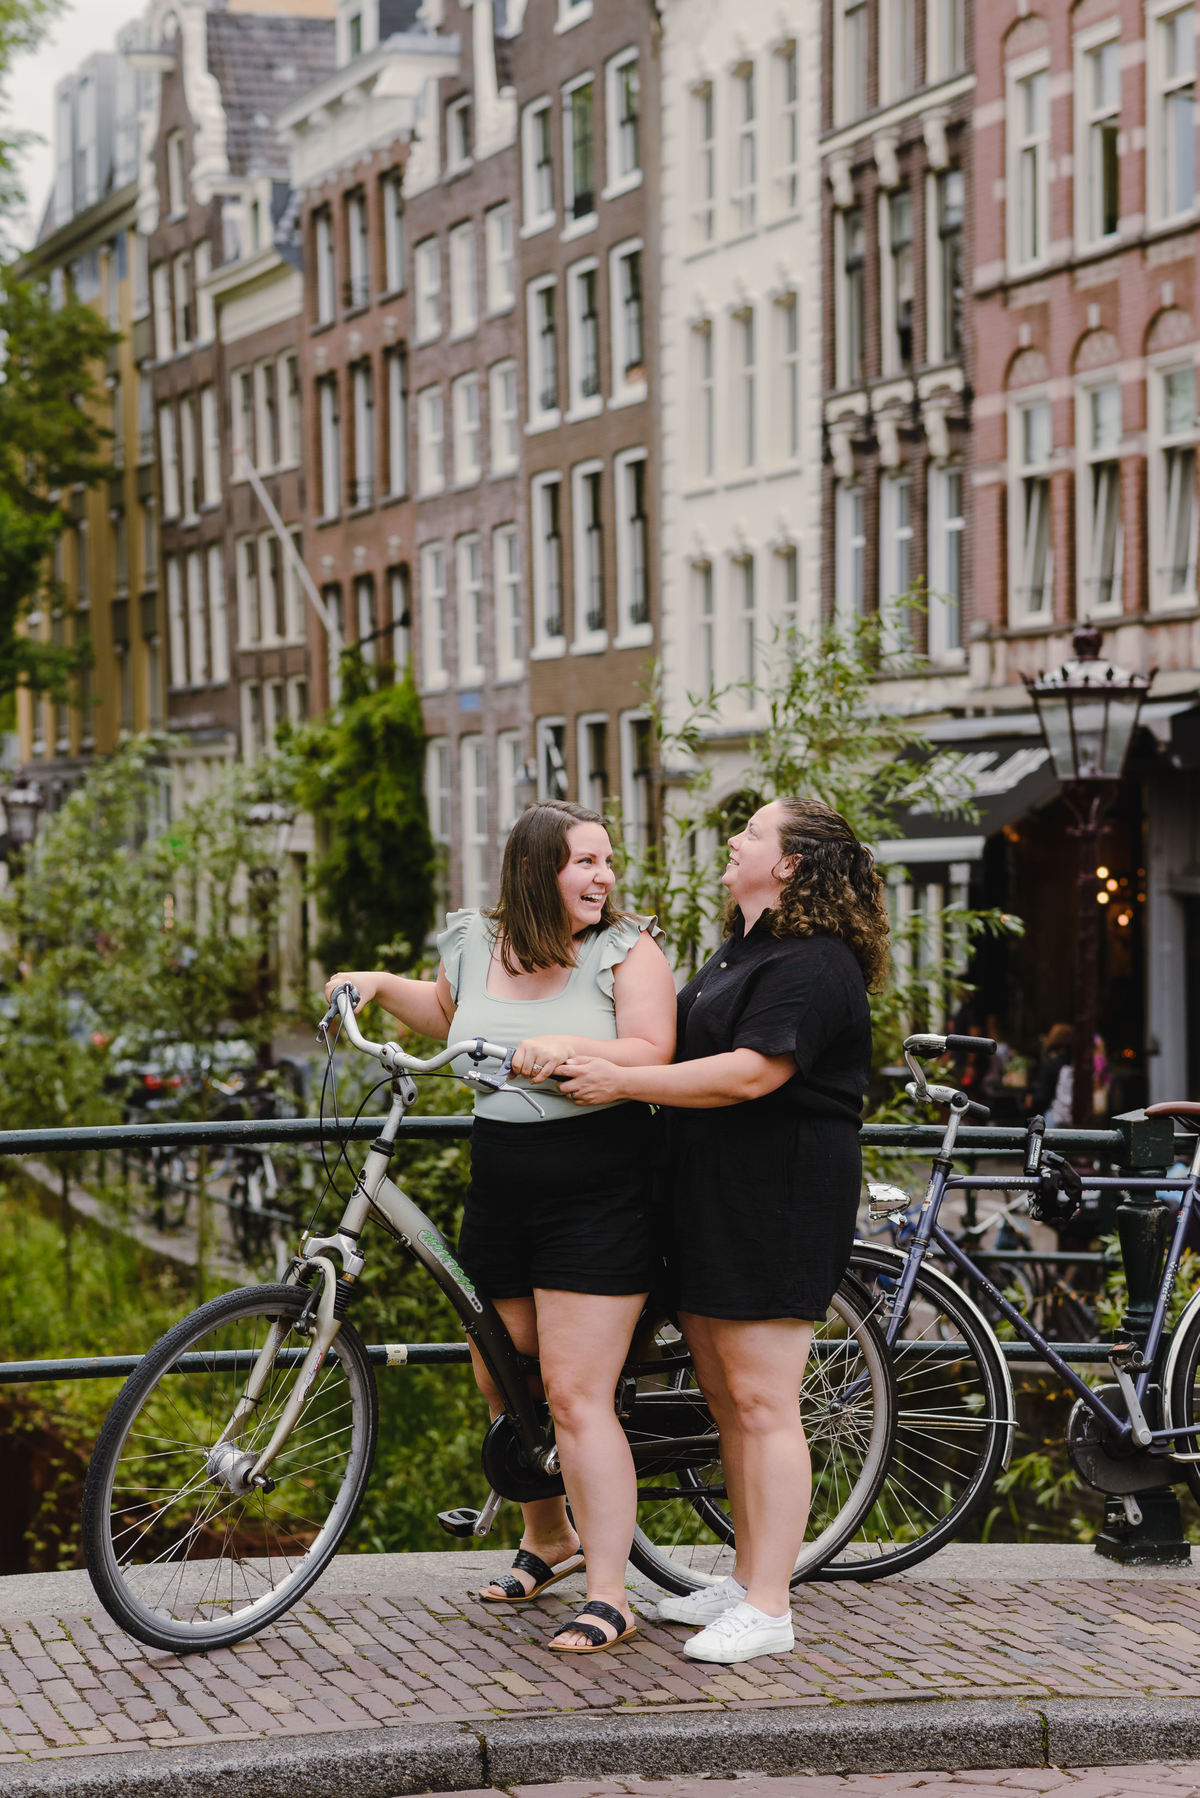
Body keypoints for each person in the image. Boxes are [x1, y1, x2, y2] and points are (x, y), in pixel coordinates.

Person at [325, 800, 676, 1655]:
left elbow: (654, 1049)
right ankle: (547, 1537)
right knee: (499, 1374)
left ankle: (609, 1591)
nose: (605, 877)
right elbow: (451, 1014)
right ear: (536, 870)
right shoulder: (476, 942)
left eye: (606, 861)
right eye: (585, 862)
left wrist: (567, 1049)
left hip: (598, 1192)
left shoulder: (626, 952)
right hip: (502, 1192)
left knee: (573, 1393)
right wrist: (372, 984)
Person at [559, 796, 889, 1666]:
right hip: (711, 1196)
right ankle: (747, 1579)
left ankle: (772, 1607)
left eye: (752, 832)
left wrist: (619, 1085)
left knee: (764, 1402)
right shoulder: (744, 952)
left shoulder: (816, 964)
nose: (734, 840)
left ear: (788, 865)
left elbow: (749, 1074)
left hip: (774, 1200)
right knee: (726, 1400)